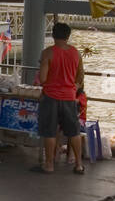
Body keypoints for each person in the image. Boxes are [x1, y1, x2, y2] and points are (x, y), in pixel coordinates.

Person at [36, 22, 84, 173]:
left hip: (51, 97)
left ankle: (49, 164)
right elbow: (81, 75)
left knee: (49, 131)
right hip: (69, 97)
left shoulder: (48, 53)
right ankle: (79, 164)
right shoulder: (76, 53)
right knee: (73, 131)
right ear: (68, 36)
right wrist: (74, 86)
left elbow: (43, 78)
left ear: (52, 35)